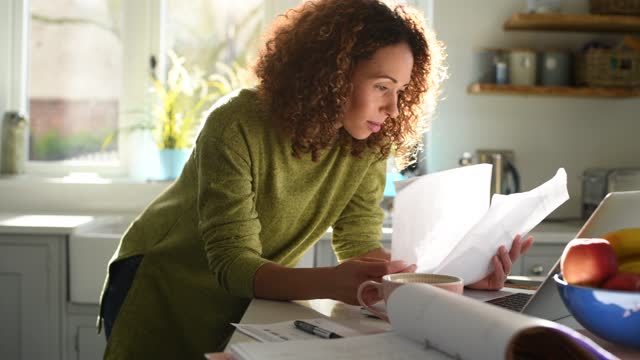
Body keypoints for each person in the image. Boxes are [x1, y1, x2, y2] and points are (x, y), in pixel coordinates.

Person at [99, 0, 534, 358]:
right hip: (162, 283)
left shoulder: (367, 141)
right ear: (332, 75)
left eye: (401, 91)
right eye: (382, 86)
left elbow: (359, 245)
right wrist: (331, 282)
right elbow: (233, 263)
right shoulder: (235, 124)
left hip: (248, 297)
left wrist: (450, 280)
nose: (395, 109)